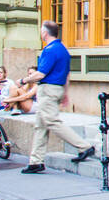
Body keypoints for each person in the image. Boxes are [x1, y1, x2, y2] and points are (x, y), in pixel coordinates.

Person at [18, 21, 95, 173]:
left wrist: (22, 81)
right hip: (57, 89)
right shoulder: (63, 49)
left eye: (41, 31)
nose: (41, 34)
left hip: (48, 90)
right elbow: (67, 75)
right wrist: (65, 93)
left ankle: (84, 146)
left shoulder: (50, 50)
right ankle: (36, 161)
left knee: (52, 122)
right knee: (40, 126)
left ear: (45, 33)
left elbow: (41, 74)